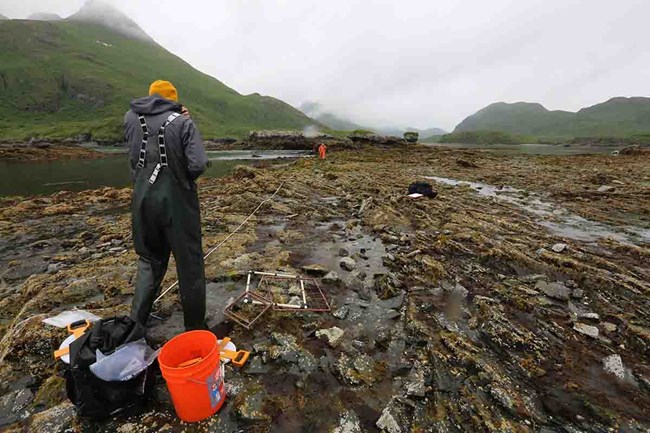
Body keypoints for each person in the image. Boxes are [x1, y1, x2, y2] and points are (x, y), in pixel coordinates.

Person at [124, 80, 209, 331]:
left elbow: (133, 157)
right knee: (189, 265)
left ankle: (135, 325)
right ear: (173, 100)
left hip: (142, 200)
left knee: (149, 260)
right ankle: (195, 329)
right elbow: (198, 164)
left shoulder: (129, 117)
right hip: (178, 204)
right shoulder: (183, 122)